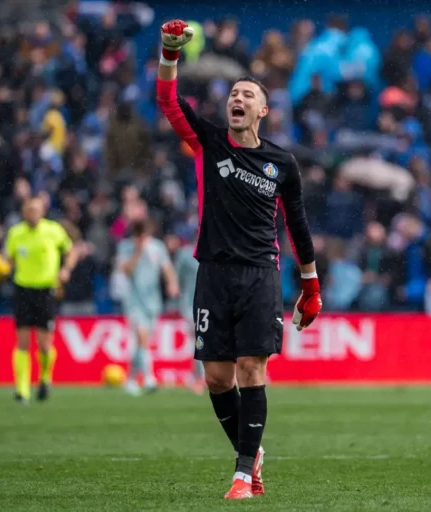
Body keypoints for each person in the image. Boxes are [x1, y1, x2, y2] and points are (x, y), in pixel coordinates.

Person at [157, 20, 322, 500]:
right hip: (212, 272)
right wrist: (169, 53)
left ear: (262, 110)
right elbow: (168, 101)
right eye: (233, 93)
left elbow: (297, 225)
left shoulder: (282, 163)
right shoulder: (208, 142)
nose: (238, 98)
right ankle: (253, 452)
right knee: (216, 378)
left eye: (248, 94)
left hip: (259, 275)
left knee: (252, 369)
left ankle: (243, 475)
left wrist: (310, 286)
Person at [3, 197, 78, 404]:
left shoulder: (54, 231)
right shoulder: (15, 233)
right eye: (28, 210)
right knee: (22, 341)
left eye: (35, 209)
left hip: (46, 290)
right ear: (23, 212)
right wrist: (0, 268)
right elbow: (9, 260)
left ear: (42, 211)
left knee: (45, 344)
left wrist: (66, 269)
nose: (32, 213)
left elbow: (71, 251)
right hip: (23, 290)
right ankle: (22, 389)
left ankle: (45, 377)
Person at [115, 218, 179, 395]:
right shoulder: (126, 247)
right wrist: (137, 252)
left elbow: (166, 267)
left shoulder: (157, 247)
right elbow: (125, 271)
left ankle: (130, 379)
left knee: (141, 343)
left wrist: (172, 283)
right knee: (142, 337)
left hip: (153, 302)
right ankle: (149, 378)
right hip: (133, 300)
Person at [174, 231, 205, 393]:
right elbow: (176, 278)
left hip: (209, 303)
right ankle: (200, 377)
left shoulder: (212, 252)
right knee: (199, 339)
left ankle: (200, 376)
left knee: (202, 340)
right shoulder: (185, 254)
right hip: (189, 304)